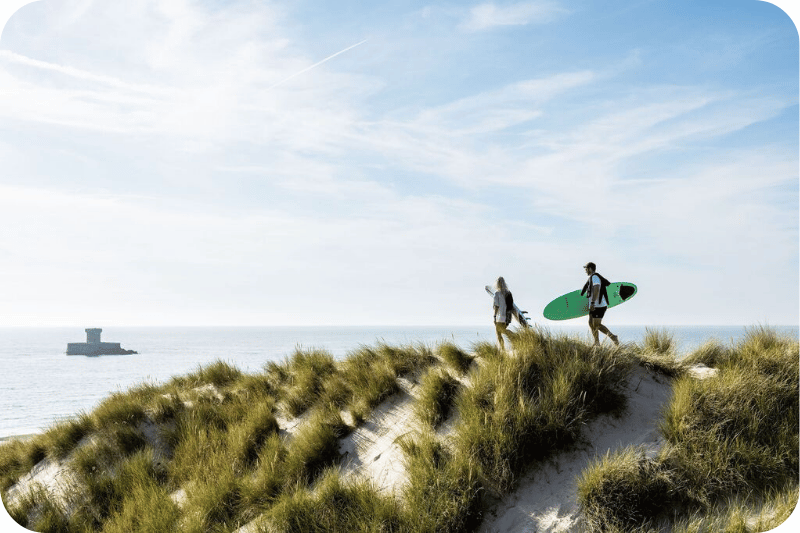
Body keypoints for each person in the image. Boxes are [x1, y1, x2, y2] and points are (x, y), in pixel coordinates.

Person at [581, 262, 619, 346]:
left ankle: (613, 337)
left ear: (590, 269)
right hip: (594, 305)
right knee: (591, 323)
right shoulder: (592, 278)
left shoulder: (595, 277)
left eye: (586, 269)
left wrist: (593, 303)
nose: (585, 271)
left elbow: (597, 289)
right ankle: (596, 342)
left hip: (599, 305)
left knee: (597, 325)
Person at [493, 276, 515, 351]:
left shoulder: (497, 293)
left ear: (497, 284)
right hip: (508, 316)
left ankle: (502, 349)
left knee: (498, 332)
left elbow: (496, 306)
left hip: (501, 316)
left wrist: (494, 316)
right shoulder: (509, 293)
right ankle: (512, 335)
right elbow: (511, 306)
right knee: (501, 330)